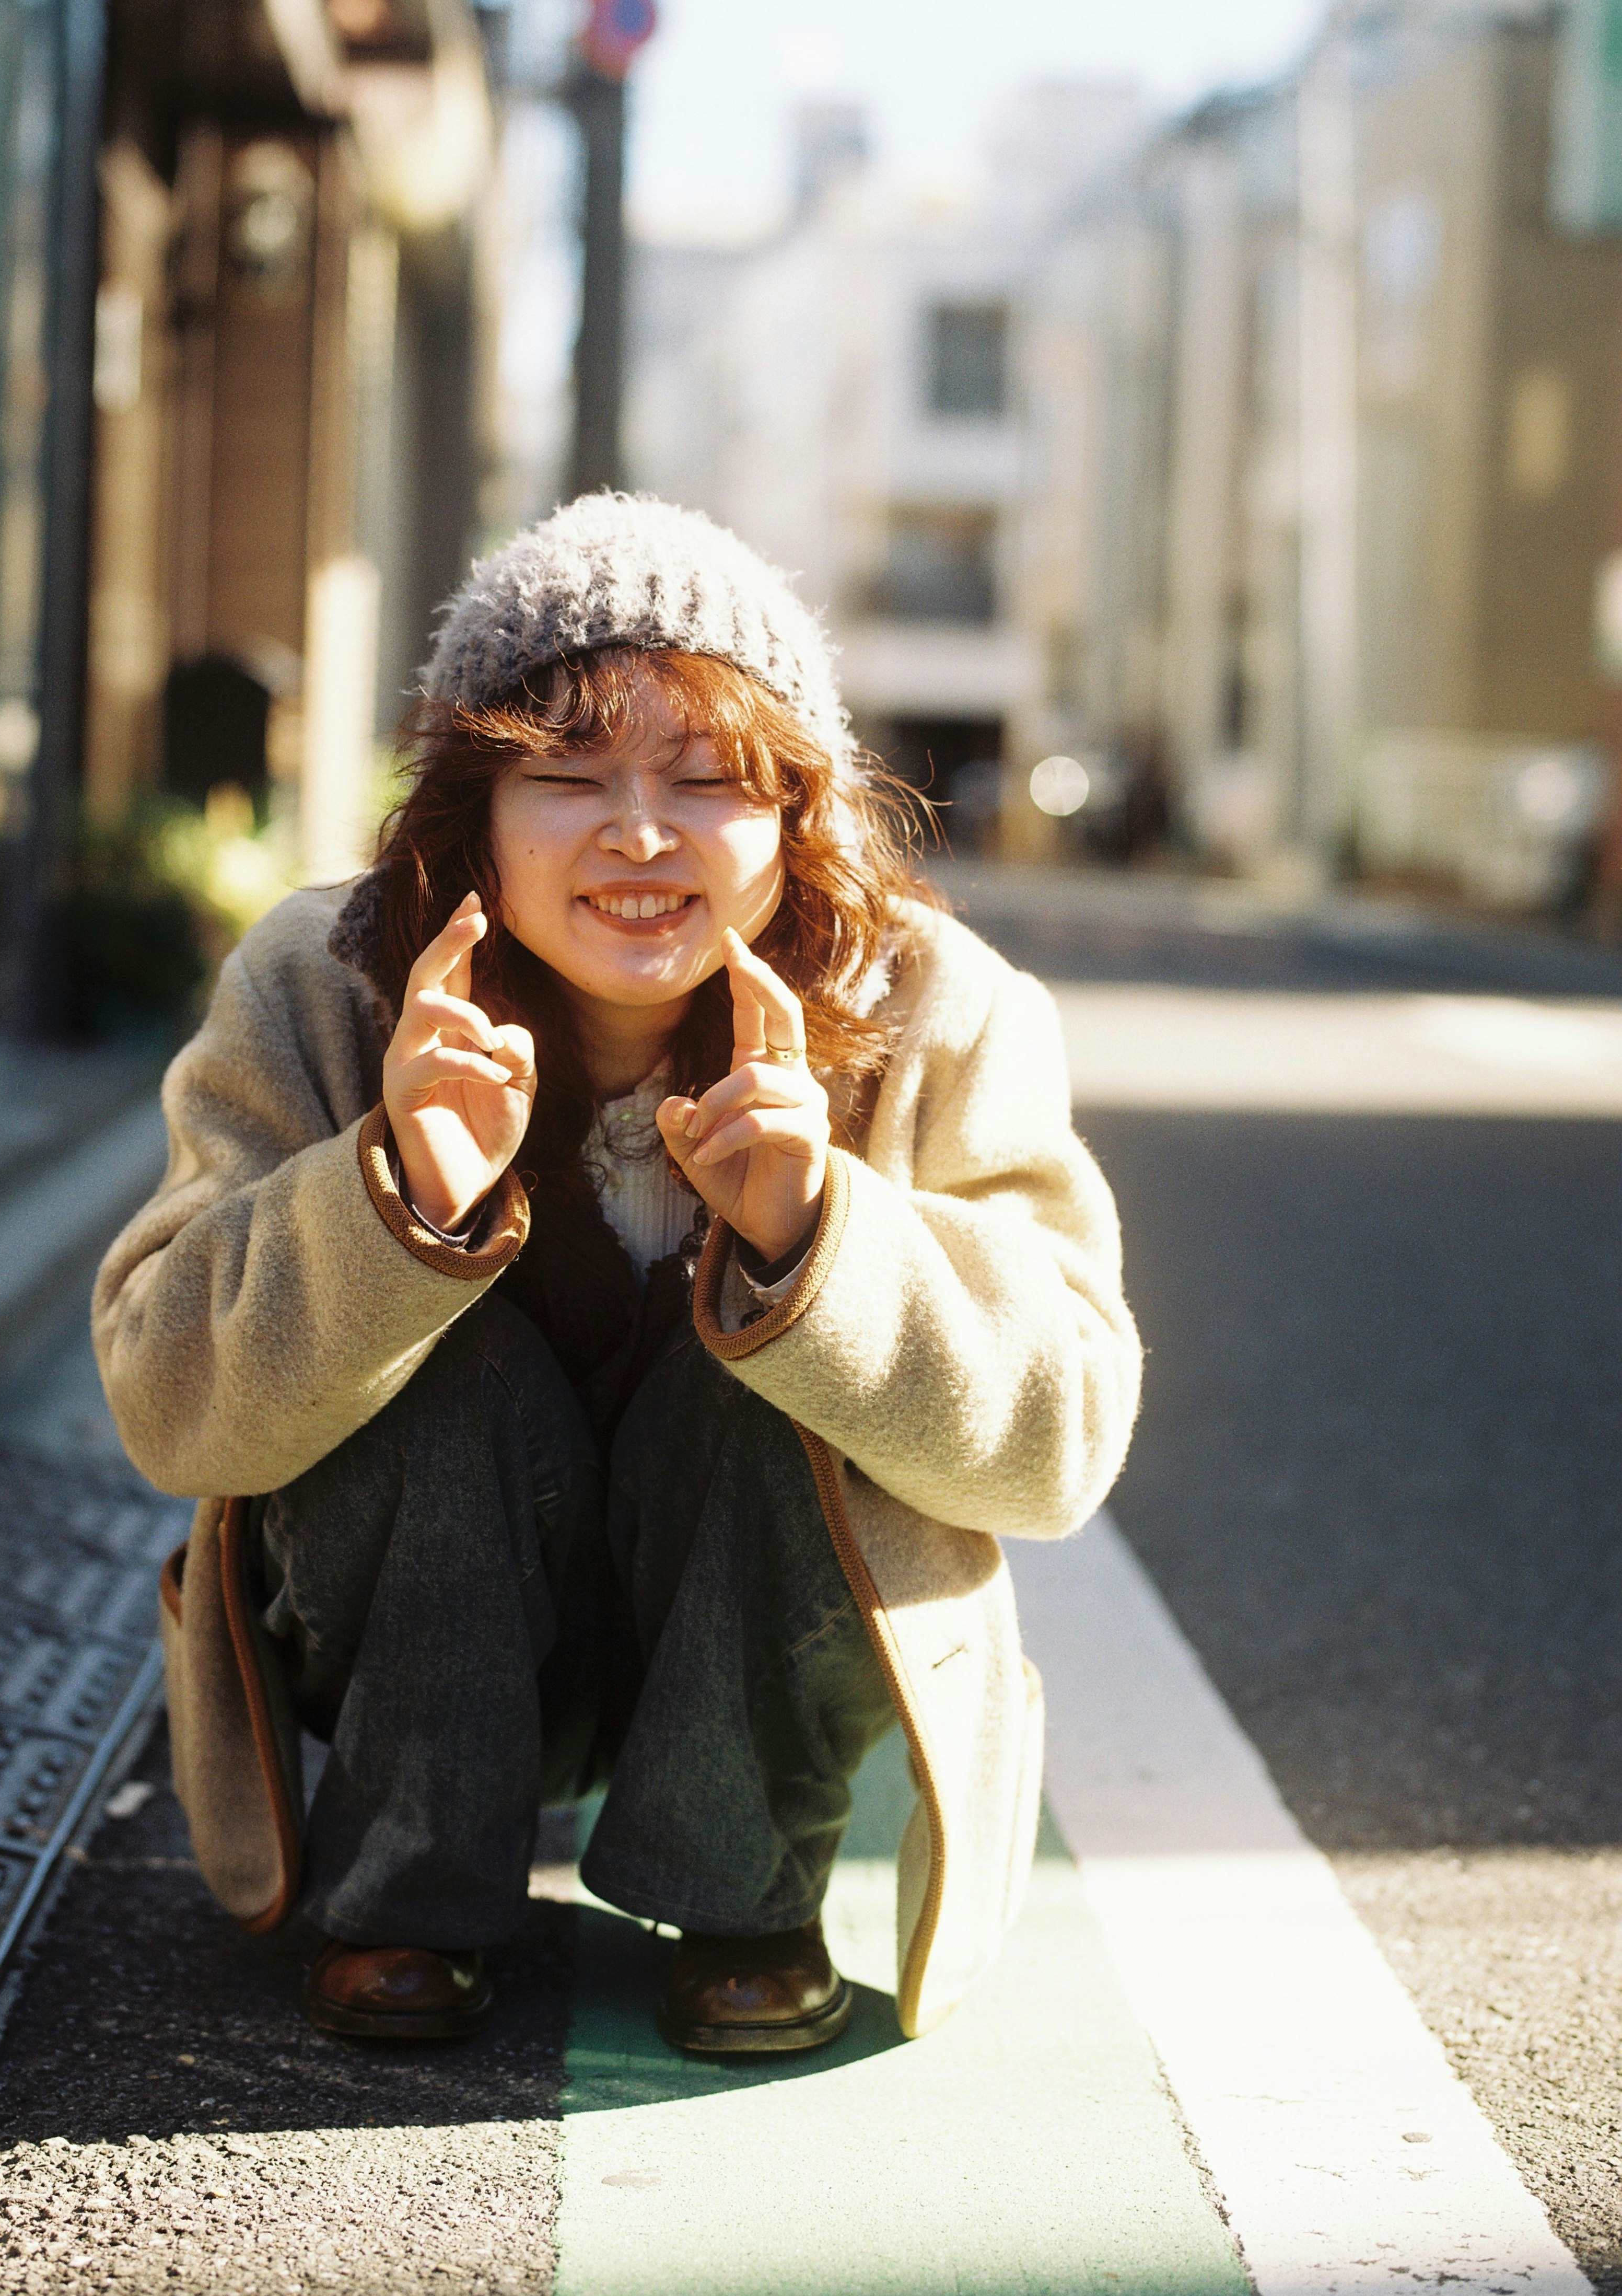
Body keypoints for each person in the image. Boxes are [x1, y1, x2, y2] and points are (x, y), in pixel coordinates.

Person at [93, 494, 1140, 2054]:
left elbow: (1061, 1444)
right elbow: (172, 1407)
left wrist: (819, 1237)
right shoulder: (323, 986)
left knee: (774, 1354)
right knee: (441, 1351)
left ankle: (742, 1890)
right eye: (567, 777)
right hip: (406, 1627)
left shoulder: (941, 1010)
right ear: (471, 814)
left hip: (748, 1644)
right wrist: (396, 1195)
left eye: (707, 781)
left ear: (797, 814)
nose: (639, 834)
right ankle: (407, 1888)